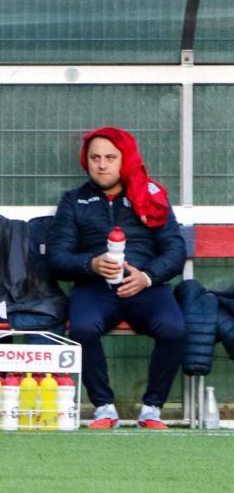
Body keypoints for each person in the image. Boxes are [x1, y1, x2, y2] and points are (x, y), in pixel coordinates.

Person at [48, 127, 186, 430]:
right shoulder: (74, 201)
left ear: (125, 160)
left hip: (145, 286)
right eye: (95, 157)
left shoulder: (149, 195)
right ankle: (104, 408)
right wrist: (91, 264)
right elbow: (56, 258)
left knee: (174, 328)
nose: (102, 164)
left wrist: (147, 276)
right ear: (86, 161)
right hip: (94, 287)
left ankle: (151, 409)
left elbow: (175, 250)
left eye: (110, 157)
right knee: (82, 328)